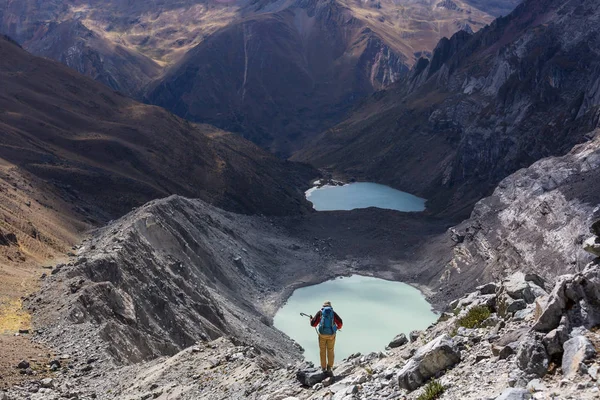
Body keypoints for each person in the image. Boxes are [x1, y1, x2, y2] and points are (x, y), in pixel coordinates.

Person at [310, 300, 343, 375]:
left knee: (322, 350)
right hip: (331, 335)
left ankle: (323, 368)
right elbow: (340, 323)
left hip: (322, 335)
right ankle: (329, 368)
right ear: (330, 306)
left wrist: (311, 319)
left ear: (323, 306)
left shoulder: (320, 312)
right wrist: (336, 328)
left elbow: (313, 324)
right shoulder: (333, 313)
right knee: (330, 350)